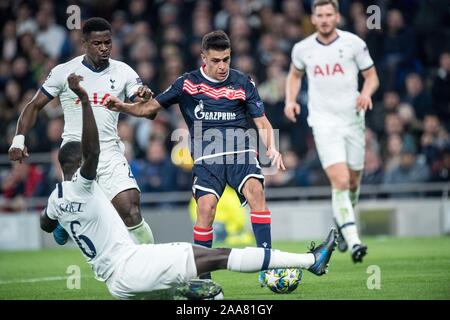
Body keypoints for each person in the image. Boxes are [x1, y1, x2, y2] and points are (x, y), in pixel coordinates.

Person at [39, 73, 338, 300]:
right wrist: (88, 99)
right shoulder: (88, 184)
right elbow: (93, 152)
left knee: (203, 295)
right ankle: (311, 261)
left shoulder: (57, 200)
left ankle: (200, 287)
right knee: (220, 255)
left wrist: (62, 225)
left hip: (117, 285)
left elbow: (48, 224)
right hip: (136, 265)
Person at [105, 30, 285, 282]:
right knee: (206, 210)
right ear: (203, 58)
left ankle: (268, 265)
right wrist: (122, 106)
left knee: (256, 191)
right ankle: (204, 277)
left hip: (240, 151)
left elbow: (262, 121)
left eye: (226, 59)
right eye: (216, 61)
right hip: (207, 158)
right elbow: (150, 108)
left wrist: (271, 148)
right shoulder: (187, 83)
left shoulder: (243, 82)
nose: (222, 66)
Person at [8, 17, 154, 245]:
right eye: (97, 43)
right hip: (76, 153)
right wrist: (19, 139)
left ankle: (151, 266)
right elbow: (34, 105)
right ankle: (61, 214)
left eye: (108, 42)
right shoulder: (64, 72)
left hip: (109, 151)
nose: (104, 48)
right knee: (67, 217)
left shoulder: (124, 71)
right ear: (84, 42)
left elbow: (145, 107)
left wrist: (145, 98)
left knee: (131, 211)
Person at [284, 0, 379, 263]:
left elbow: (372, 76)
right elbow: (294, 76)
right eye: (320, 15)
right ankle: (354, 241)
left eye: (329, 14)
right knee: (339, 181)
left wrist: (366, 93)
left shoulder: (354, 43)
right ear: (313, 19)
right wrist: (290, 100)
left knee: (353, 183)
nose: (324, 19)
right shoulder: (302, 49)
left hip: (353, 121)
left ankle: (342, 223)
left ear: (337, 16)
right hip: (324, 123)